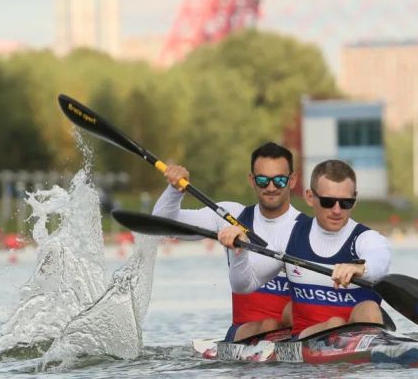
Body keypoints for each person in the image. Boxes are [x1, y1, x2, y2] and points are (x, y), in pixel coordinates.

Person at [219, 159, 390, 339]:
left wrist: (361, 268)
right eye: (327, 202)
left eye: (346, 202)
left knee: (369, 309)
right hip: (306, 340)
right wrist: (238, 252)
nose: (337, 210)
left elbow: (380, 259)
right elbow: (243, 286)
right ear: (310, 197)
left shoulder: (366, 238)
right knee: (335, 323)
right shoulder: (288, 234)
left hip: (357, 334)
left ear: (354, 199)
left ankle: (371, 354)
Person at [152, 142, 300, 341]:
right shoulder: (231, 216)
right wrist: (174, 190)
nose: (271, 187)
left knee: (288, 316)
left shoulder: (306, 229)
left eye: (280, 181)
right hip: (245, 334)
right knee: (270, 325)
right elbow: (162, 225)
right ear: (252, 180)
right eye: (263, 180)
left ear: (292, 180)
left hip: (295, 334)